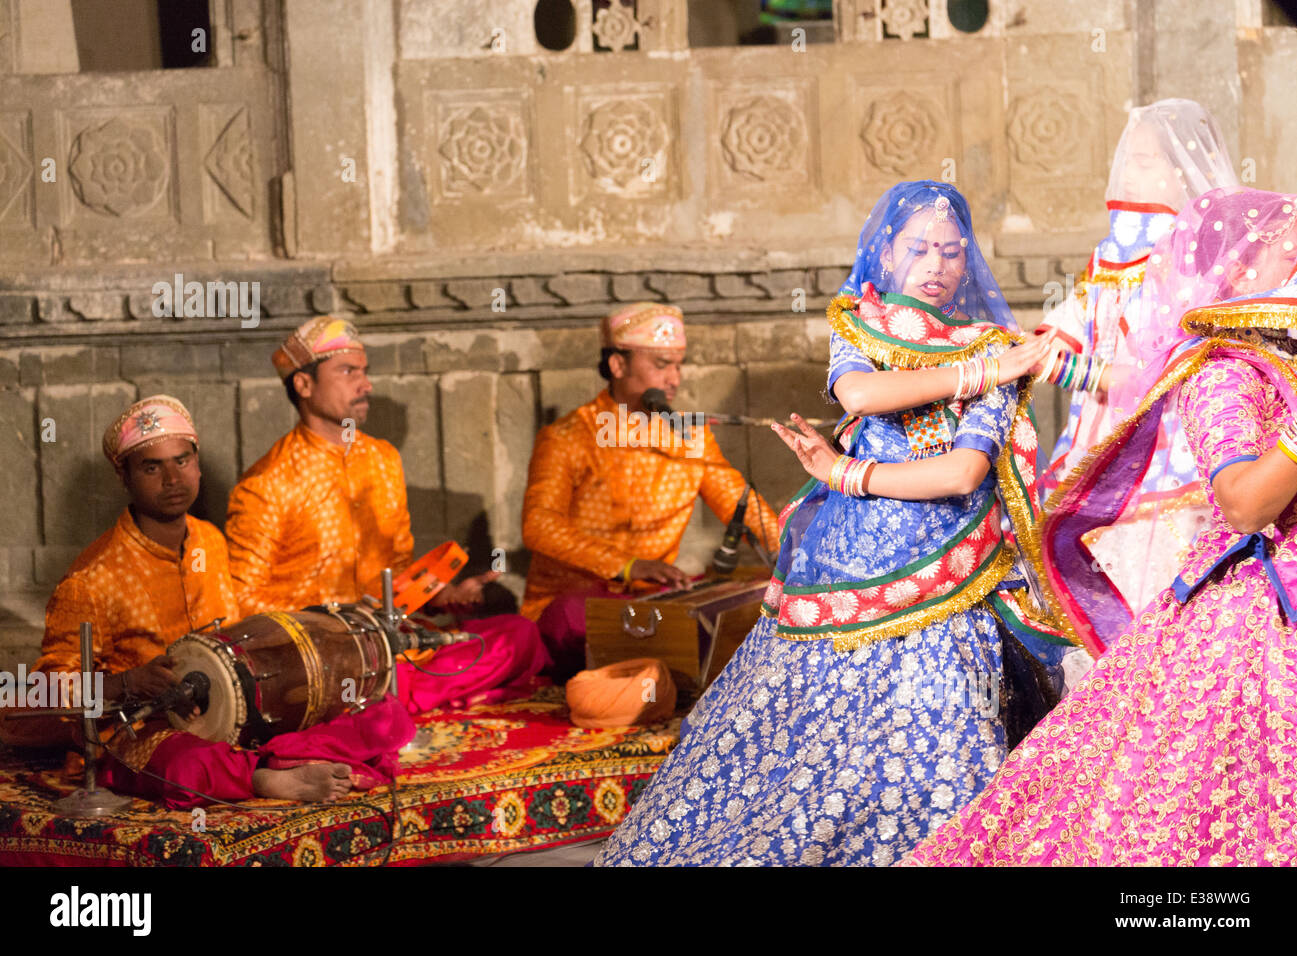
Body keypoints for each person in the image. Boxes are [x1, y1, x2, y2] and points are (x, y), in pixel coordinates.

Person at [593, 182, 1070, 866]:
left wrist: (848, 474)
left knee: (947, 727)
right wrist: (983, 371)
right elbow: (862, 393)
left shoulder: (991, 344)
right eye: (918, 248)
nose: (936, 264)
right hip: (846, 567)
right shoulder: (863, 325)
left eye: (952, 251)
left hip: (952, 574)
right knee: (802, 741)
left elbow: (961, 475)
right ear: (885, 251)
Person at [906, 186, 1297, 865]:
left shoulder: (1282, 365)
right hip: (1256, 612)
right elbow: (1243, 505)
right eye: (1287, 253)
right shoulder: (1221, 372)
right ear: (1236, 272)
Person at [0, 395, 414, 808]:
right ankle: (267, 777)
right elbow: (49, 692)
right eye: (151, 467)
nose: (172, 479)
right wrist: (126, 684)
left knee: (380, 713)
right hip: (141, 728)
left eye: (182, 461)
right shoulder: (92, 578)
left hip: (235, 712)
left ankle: (267, 761)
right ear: (124, 476)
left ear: (197, 463)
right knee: (186, 765)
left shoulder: (211, 542)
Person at [224, 317, 550, 712]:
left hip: (394, 643)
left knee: (520, 634)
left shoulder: (383, 459)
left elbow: (398, 574)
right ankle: (395, 700)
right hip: (325, 657)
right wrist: (336, 616)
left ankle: (394, 699)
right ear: (304, 385)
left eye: (365, 372)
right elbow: (241, 603)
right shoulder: (266, 483)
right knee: (346, 683)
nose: (366, 385)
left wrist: (444, 597)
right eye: (348, 372)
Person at [1035, 100, 1237, 621]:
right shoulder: (1109, 252)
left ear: (1185, 171)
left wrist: (1085, 372)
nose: (1128, 169)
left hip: (1166, 449)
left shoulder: (1196, 255)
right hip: (1097, 434)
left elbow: (1171, 364)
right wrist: (1038, 348)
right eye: (1129, 157)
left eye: (1147, 160)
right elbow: (1076, 319)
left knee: (1156, 595)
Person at [520, 302, 780, 679]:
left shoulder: (689, 436)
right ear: (617, 365)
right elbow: (539, 525)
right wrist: (626, 566)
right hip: (578, 599)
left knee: (746, 602)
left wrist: (793, 557)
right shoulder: (567, 437)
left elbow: (740, 503)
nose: (674, 378)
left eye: (678, 364)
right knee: (572, 619)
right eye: (661, 365)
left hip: (656, 597)